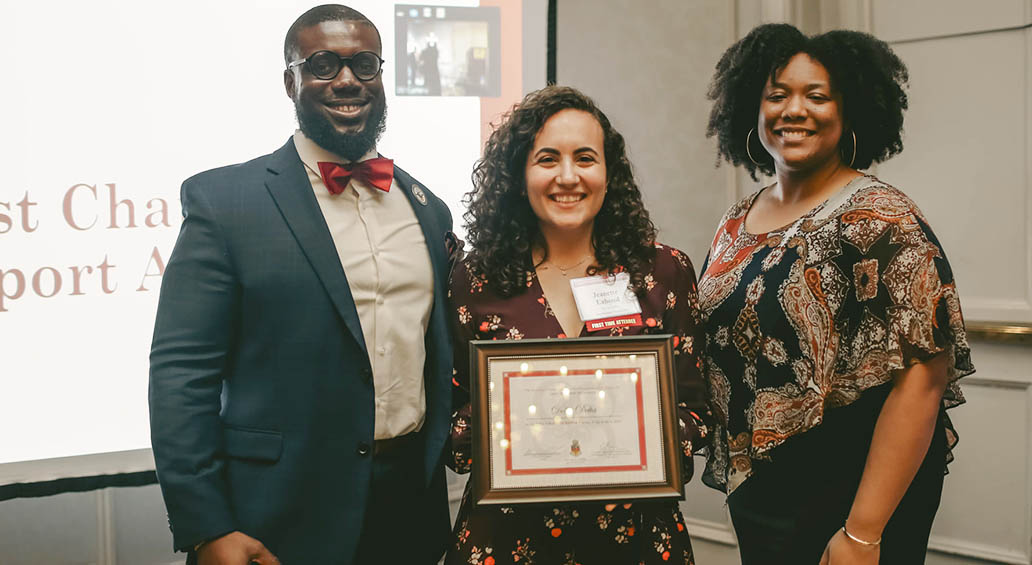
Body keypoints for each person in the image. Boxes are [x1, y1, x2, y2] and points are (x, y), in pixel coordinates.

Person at [148, 5, 454, 564]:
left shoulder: (427, 208)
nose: (346, 81)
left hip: (410, 511)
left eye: (364, 64)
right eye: (322, 64)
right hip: (276, 520)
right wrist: (206, 526)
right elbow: (181, 373)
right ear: (290, 81)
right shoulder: (226, 204)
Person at [698, 24, 973, 564]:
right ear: (751, 109)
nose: (794, 110)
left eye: (816, 96)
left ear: (849, 112)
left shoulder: (881, 218)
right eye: (777, 95)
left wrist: (863, 532)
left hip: (853, 495)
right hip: (763, 490)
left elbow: (923, 377)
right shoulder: (736, 221)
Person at [445, 86, 712, 565]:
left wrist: (646, 440)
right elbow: (451, 424)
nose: (568, 177)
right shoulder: (475, 280)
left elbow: (696, 413)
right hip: (507, 541)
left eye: (585, 158)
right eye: (547, 158)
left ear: (609, 173)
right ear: (519, 175)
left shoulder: (663, 271)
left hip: (635, 541)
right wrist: (504, 426)